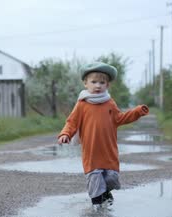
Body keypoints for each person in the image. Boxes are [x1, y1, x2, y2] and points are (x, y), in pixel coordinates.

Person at [57, 62, 149, 206]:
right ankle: (97, 210)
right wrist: (65, 134)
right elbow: (72, 122)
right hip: (91, 151)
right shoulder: (82, 104)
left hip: (108, 150)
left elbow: (120, 118)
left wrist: (137, 111)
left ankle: (106, 192)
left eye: (102, 82)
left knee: (111, 177)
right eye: (93, 82)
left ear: (107, 85)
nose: (98, 85)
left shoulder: (109, 103)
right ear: (85, 83)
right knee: (95, 180)